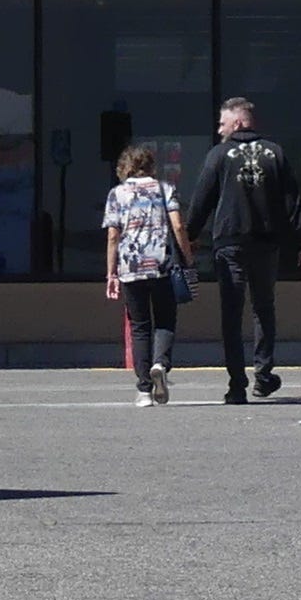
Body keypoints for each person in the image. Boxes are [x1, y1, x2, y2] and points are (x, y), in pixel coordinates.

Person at [184, 96, 301, 403]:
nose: (219, 130)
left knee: (231, 313)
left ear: (238, 122)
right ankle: (264, 374)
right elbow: (292, 202)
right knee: (263, 308)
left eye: (222, 122)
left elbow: (202, 199)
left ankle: (236, 385)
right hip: (266, 244)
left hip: (229, 243)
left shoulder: (219, 155)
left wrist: (188, 237)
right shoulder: (275, 153)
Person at [102, 145, 189, 406]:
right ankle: (161, 363)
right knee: (165, 320)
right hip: (161, 265)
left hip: (131, 268)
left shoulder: (117, 194)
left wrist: (111, 273)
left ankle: (143, 391)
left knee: (139, 328)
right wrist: (188, 257)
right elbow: (178, 225)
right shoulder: (165, 189)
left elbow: (113, 236)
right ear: (151, 165)